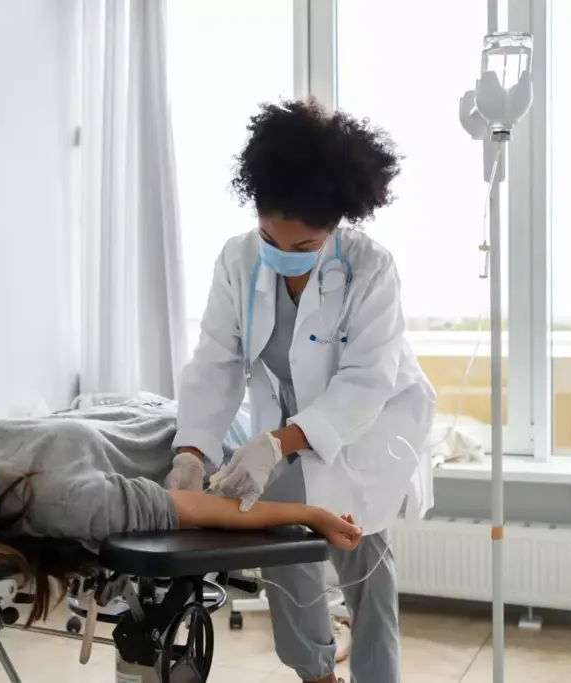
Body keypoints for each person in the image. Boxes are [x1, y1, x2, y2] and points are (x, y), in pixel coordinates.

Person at [166, 99, 437, 683]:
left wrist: (278, 442)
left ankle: (378, 675)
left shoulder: (372, 268)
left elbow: (366, 382)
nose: (282, 256)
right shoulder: (238, 261)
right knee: (277, 530)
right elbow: (214, 362)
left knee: (365, 556)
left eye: (302, 247)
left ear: (337, 224)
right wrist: (192, 451)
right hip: (285, 419)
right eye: (269, 237)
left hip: (368, 425)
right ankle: (316, 674)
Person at [0, 414, 363, 626]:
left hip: (136, 406)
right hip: (213, 438)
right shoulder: (66, 501)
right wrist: (310, 515)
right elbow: (196, 507)